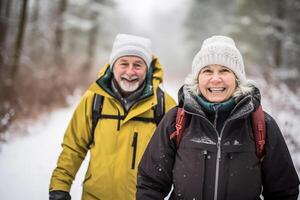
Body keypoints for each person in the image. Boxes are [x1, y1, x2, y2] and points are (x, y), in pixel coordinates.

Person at [136, 35, 299, 200]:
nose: (215, 79)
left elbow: (284, 191)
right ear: (197, 78)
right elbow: (150, 185)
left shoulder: (262, 124)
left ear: (237, 79)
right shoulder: (176, 121)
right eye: (207, 71)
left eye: (224, 70)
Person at [49, 33, 176, 200]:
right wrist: (59, 187)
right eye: (124, 63)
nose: (130, 71)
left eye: (138, 65)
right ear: (113, 66)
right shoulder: (94, 99)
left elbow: (181, 159)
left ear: (148, 68)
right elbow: (73, 147)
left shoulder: (165, 105)